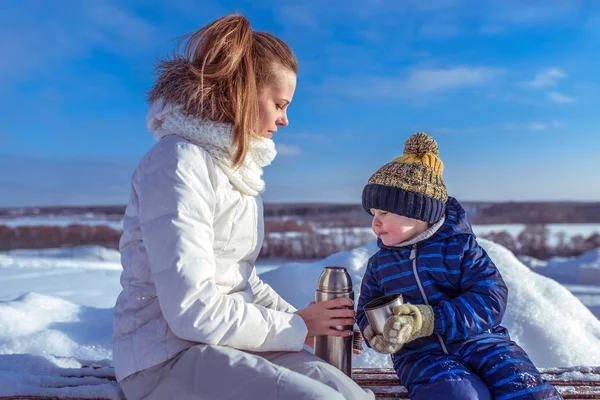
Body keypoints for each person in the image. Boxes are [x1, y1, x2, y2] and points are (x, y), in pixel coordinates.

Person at [112, 13, 374, 400]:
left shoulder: (235, 167)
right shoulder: (176, 163)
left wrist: (308, 321)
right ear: (244, 91)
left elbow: (239, 280)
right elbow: (192, 310)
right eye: (280, 104)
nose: (285, 120)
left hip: (224, 343)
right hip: (163, 358)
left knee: (350, 395)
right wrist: (299, 325)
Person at [356, 132, 563, 400]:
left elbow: (490, 299)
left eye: (384, 213)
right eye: (373, 214)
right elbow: (366, 309)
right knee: (456, 395)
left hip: (483, 341)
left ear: (419, 212)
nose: (375, 223)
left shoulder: (461, 249)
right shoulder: (379, 264)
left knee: (526, 391)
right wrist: (375, 333)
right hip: (421, 354)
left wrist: (430, 320)